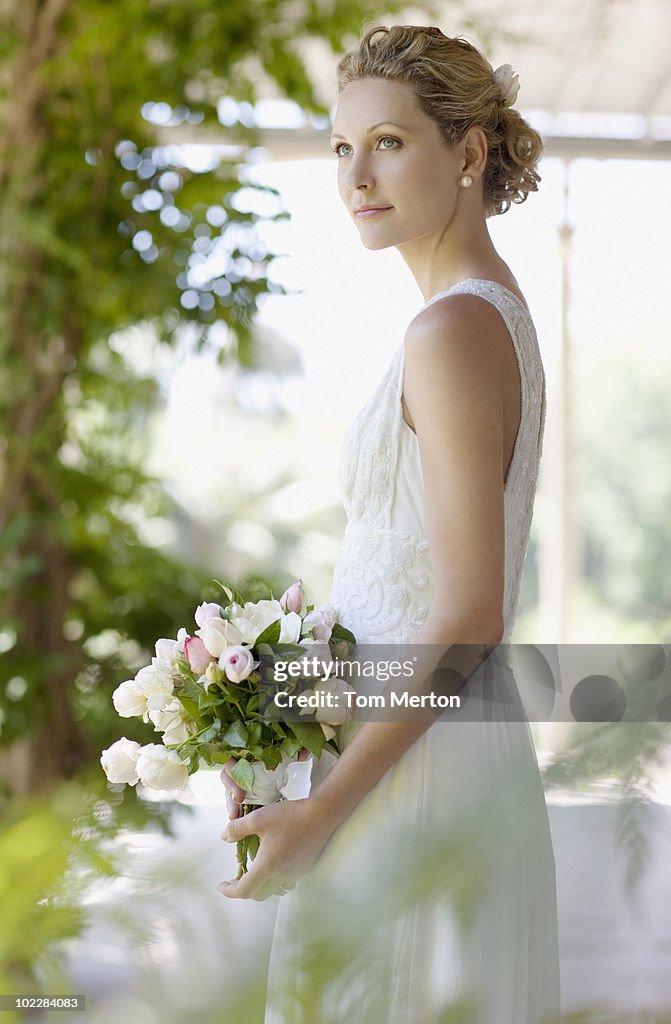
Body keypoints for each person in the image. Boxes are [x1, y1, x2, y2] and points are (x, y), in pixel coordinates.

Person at [218, 24, 560, 1024]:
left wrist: (326, 808)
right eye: (339, 148)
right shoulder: (478, 313)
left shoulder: (451, 328)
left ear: (466, 154)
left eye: (387, 143)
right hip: (419, 742)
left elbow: (466, 614)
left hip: (414, 774)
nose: (354, 175)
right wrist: (265, 706)